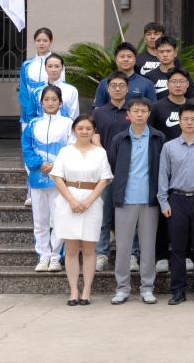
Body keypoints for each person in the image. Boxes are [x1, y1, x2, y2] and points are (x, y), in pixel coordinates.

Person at [106, 97, 165, 305]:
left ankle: (147, 288)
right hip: (125, 200)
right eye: (136, 111)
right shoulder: (119, 139)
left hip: (150, 200)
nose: (139, 114)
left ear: (149, 114)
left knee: (148, 247)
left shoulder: (158, 138)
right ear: (128, 114)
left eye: (143, 111)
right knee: (123, 247)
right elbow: (113, 165)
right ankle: (122, 288)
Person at [50, 115, 113, 305]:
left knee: (89, 248)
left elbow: (105, 178)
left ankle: (87, 289)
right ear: (74, 130)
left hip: (92, 202)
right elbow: (57, 177)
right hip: (68, 201)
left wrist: (88, 201)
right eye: (80, 128)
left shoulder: (100, 153)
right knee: (71, 250)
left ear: (94, 131)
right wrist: (71, 201)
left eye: (88, 128)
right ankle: (73, 290)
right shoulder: (65, 151)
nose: (84, 131)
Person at [157, 103, 194, 305]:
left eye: (193, 119)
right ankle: (178, 290)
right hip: (177, 199)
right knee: (178, 247)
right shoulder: (169, 147)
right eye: (185, 119)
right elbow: (163, 176)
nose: (189, 122)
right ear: (179, 121)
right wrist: (163, 202)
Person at [21, 85, 73, 272]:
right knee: (40, 221)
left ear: (60, 102)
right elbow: (26, 148)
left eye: (54, 99)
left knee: (59, 220)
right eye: (46, 99)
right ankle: (43, 257)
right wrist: (39, 163)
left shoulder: (68, 123)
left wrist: (56, 165)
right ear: (41, 102)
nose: (50, 103)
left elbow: (72, 148)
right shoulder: (33, 124)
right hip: (37, 179)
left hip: (60, 181)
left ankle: (56, 257)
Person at [93, 72, 138, 270]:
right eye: (113, 86)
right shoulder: (99, 112)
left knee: (131, 217)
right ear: (107, 88)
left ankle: (132, 255)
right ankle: (102, 254)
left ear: (127, 89)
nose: (117, 89)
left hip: (132, 171)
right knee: (104, 216)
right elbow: (94, 136)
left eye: (121, 85)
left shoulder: (134, 110)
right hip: (106, 172)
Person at [19, 27, 57, 206]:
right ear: (34, 42)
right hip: (30, 117)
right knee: (31, 151)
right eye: (39, 40)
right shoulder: (27, 65)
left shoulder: (56, 63)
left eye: (45, 40)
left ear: (50, 42)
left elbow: (60, 89)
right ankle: (31, 191)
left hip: (53, 116)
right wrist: (29, 115)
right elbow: (23, 92)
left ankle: (54, 187)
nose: (42, 43)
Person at [92, 42, 157, 108]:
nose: (126, 59)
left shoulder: (147, 84)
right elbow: (98, 109)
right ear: (116, 59)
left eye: (129, 56)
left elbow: (153, 110)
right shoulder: (104, 83)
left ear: (135, 59)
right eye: (122, 56)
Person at [22, 53, 79, 122]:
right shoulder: (36, 91)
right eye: (50, 66)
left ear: (62, 68)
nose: (53, 70)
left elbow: (74, 116)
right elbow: (31, 115)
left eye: (57, 66)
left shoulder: (71, 90)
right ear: (45, 68)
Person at [149, 68, 192, 142]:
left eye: (181, 81)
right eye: (174, 81)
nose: (178, 85)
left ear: (187, 84)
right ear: (167, 84)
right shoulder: (156, 107)